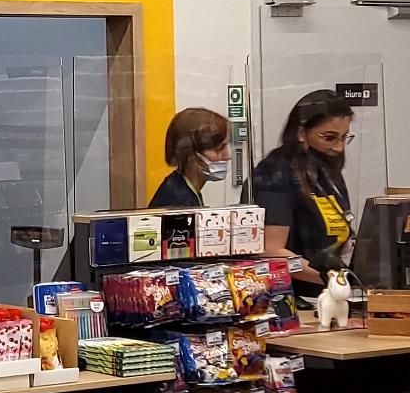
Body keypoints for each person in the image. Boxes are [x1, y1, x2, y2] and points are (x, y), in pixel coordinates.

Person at [245, 89, 354, 297]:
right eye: (330, 138)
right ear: (302, 133)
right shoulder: (274, 174)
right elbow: (272, 251)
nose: (339, 148)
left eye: (344, 137)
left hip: (329, 290)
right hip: (291, 295)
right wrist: (328, 278)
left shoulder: (326, 172)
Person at [149, 107, 232, 208]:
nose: (228, 156)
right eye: (219, 149)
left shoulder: (184, 189)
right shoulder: (178, 201)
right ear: (191, 155)